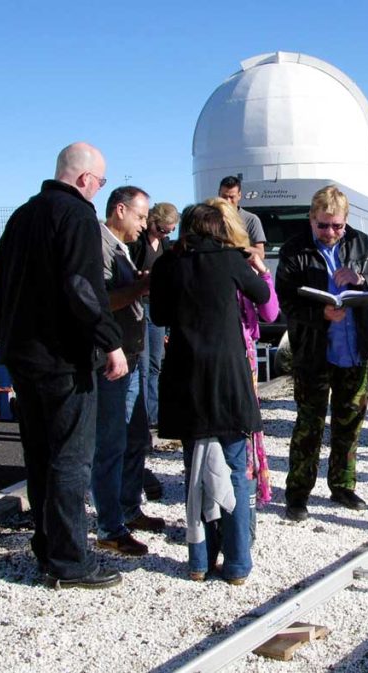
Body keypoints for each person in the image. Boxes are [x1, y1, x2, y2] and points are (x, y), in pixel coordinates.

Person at [0, 142, 128, 590]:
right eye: (101, 181)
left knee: (40, 456)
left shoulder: (21, 216)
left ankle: (47, 548)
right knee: (70, 459)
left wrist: (5, 336)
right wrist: (110, 341)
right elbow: (83, 287)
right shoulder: (77, 217)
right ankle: (70, 561)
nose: (99, 189)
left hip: (22, 355)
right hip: (63, 360)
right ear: (85, 179)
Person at [149, 203, 269, 585]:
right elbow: (260, 295)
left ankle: (199, 560)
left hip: (186, 373)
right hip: (227, 373)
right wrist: (260, 268)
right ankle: (236, 564)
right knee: (234, 468)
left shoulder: (169, 262)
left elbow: (159, 316)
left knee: (195, 469)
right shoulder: (230, 259)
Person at [275, 185, 368, 522]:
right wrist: (321, 315)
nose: (330, 232)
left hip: (354, 350)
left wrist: (361, 277)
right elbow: (285, 302)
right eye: (323, 225)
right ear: (311, 219)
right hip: (314, 353)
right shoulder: (294, 250)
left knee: (350, 424)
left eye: (337, 226)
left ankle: (342, 485)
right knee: (308, 427)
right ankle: (298, 494)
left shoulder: (361, 243)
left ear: (346, 221)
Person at [91, 186, 166, 557]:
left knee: (135, 437)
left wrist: (137, 280)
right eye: (139, 216)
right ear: (119, 210)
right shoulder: (99, 248)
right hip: (114, 360)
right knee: (112, 442)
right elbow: (102, 301)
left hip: (132, 356)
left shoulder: (120, 249)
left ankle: (128, 508)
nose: (144, 224)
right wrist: (141, 285)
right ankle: (109, 524)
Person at [205, 197, 279, 516]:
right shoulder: (226, 264)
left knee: (227, 432)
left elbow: (269, 312)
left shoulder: (225, 263)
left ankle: (228, 494)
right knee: (236, 428)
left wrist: (261, 270)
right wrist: (262, 272)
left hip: (226, 354)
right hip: (234, 354)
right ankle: (235, 495)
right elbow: (271, 312)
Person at [128, 202, 177, 430]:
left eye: (169, 231)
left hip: (157, 305)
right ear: (153, 223)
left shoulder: (166, 245)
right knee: (144, 365)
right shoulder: (138, 243)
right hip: (139, 305)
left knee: (156, 363)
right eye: (163, 229)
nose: (165, 234)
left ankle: (154, 413)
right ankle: (144, 415)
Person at [218, 175, 267, 259]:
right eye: (224, 197)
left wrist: (234, 247)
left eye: (231, 197)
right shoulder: (209, 220)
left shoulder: (251, 220)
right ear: (218, 194)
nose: (227, 201)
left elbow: (260, 254)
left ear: (239, 195)